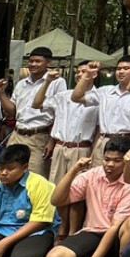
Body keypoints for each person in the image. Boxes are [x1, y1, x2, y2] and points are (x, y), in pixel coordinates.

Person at [44, 141, 130, 257]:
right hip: (93, 232)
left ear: (126, 161)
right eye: (107, 159)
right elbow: (56, 200)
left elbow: (114, 227)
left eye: (117, 161)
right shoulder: (92, 174)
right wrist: (74, 170)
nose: (110, 164)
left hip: (118, 236)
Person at [47, 59, 101, 197]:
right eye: (78, 72)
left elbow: (99, 129)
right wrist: (51, 142)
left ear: (94, 74)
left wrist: (93, 153)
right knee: (54, 188)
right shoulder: (64, 95)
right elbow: (38, 105)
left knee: (77, 190)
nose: (79, 74)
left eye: (84, 71)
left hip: (81, 148)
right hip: (61, 146)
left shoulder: (100, 97)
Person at [7, 46, 63, 177]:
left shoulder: (57, 82)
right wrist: (0, 93)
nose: (33, 64)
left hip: (39, 136)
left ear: (48, 62)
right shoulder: (21, 83)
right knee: (9, 172)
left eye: (38, 61)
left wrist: (52, 141)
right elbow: (12, 111)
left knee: (35, 175)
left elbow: (60, 113)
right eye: (31, 61)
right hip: (17, 134)